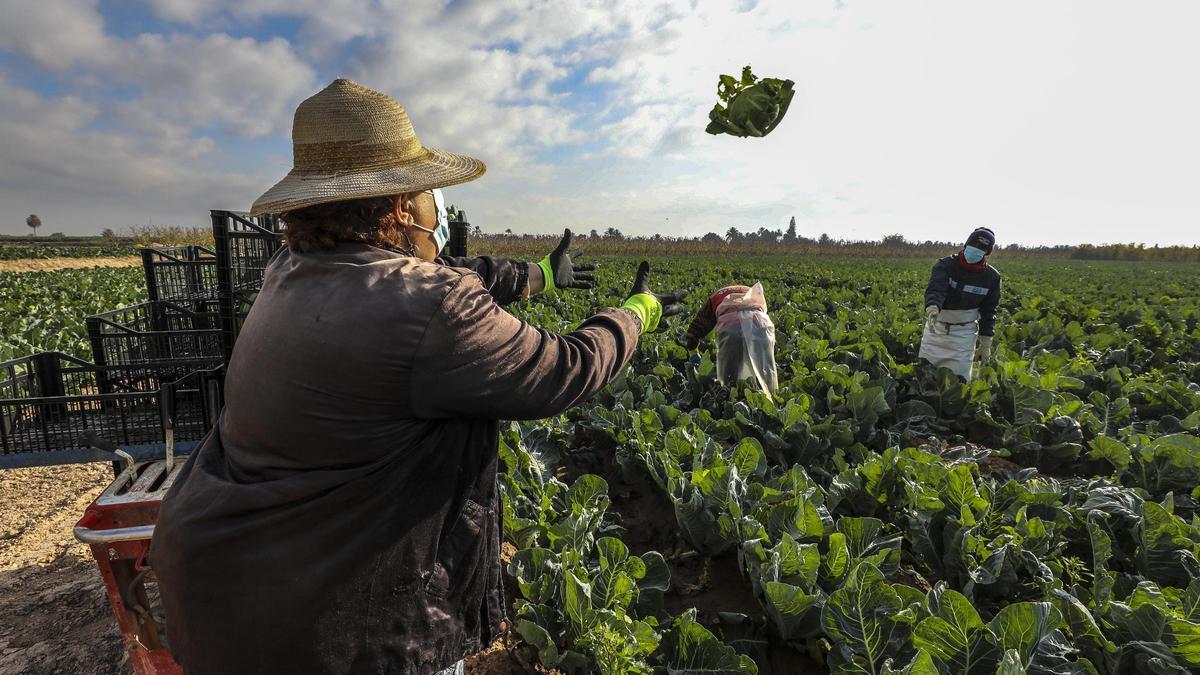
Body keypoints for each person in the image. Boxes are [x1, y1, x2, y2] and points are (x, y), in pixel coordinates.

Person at [148, 78, 685, 675]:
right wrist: (636, 315)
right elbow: (566, 369)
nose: (439, 208)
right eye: (430, 191)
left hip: (230, 591)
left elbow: (436, 275)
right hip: (335, 633)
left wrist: (536, 276)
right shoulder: (429, 307)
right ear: (403, 205)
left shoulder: (290, 271)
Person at [919, 227, 1001, 379]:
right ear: (966, 244)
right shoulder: (945, 265)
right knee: (925, 377)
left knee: (958, 382)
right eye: (974, 245)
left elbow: (989, 311)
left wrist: (985, 342)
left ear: (987, 253)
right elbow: (937, 288)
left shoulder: (992, 277)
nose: (976, 250)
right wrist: (932, 307)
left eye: (981, 248)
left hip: (963, 335)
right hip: (936, 328)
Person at [683, 282, 778, 395]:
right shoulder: (752, 291)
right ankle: (768, 403)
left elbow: (694, 331)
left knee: (728, 382)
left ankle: (729, 403)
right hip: (762, 325)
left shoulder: (715, 298)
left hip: (731, 328)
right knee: (765, 376)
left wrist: (693, 353)